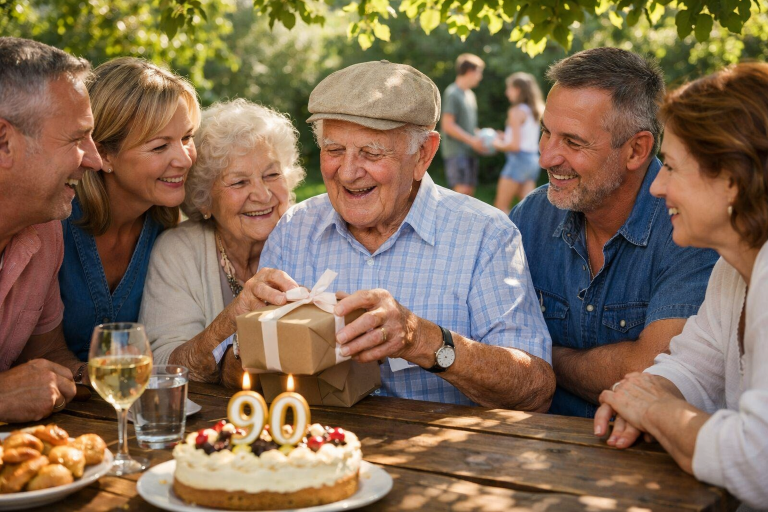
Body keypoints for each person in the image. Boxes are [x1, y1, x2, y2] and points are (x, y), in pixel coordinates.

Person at [259, 60, 555, 410]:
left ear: (423, 154)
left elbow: (534, 388)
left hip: (445, 458)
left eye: (371, 152)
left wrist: (421, 340)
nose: (349, 172)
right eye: (334, 149)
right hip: (318, 452)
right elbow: (243, 371)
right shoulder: (295, 228)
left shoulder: (486, 235)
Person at [594, 63, 768, 510]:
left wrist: (656, 413)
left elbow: (757, 461)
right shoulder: (734, 270)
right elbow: (693, 368)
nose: (657, 187)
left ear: (731, 178)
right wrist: (640, 394)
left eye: (670, 166)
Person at [510, 47, 719, 418]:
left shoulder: (689, 226)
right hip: (532, 444)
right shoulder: (533, 215)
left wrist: (535, 360)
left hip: (641, 461)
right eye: (546, 133)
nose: (546, 158)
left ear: (636, 150)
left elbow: (653, 373)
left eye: (573, 142)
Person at [140, 99, 305, 388]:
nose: (263, 195)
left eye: (272, 175)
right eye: (240, 182)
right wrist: (233, 317)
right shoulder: (179, 252)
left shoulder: (308, 238)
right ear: (205, 198)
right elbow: (165, 365)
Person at [59, 57, 200, 361]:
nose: (185, 159)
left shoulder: (167, 231)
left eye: (186, 138)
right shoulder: (54, 223)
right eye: (160, 146)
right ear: (104, 154)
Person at [0, 37, 102, 422]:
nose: (95, 160)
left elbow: (48, 357)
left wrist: (99, 378)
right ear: (4, 142)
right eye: (77, 139)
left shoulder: (45, 231)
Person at [492, 72, 545, 213]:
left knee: (500, 206)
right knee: (530, 210)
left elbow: (515, 146)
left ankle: (507, 236)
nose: (506, 92)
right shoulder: (534, 110)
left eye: (508, 88)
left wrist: (496, 144)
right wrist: (504, 136)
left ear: (517, 89)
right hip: (532, 161)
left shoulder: (515, 111)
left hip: (518, 160)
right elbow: (523, 138)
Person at [440, 53, 488, 196]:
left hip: (470, 152)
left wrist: (482, 137)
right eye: (479, 73)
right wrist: (472, 141)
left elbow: (468, 126)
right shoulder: (452, 93)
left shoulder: (470, 95)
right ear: (469, 71)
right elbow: (447, 125)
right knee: (461, 195)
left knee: (470, 195)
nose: (480, 77)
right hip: (456, 152)